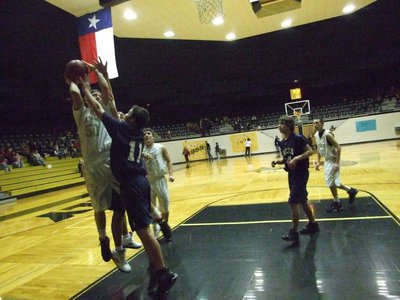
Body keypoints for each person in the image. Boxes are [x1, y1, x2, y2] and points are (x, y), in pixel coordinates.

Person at [81, 79, 178, 297]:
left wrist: (85, 88)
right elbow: (113, 105)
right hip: (142, 182)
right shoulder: (135, 132)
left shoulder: (120, 129)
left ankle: (163, 273)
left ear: (131, 118)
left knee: (143, 231)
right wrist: (104, 78)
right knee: (144, 221)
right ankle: (154, 263)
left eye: (129, 112)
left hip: (132, 184)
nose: (124, 113)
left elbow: (100, 108)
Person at [67, 58, 141, 274]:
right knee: (99, 207)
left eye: (98, 95)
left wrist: (100, 73)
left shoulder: (106, 112)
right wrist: (71, 79)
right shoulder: (81, 112)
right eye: (93, 94)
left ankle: (126, 237)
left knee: (124, 200)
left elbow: (108, 92)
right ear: (87, 97)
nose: (97, 96)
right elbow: (74, 93)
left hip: (109, 159)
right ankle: (103, 238)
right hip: (91, 163)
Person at [271, 116, 319, 243]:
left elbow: (310, 152)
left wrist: (297, 158)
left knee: (292, 201)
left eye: (281, 124)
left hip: (301, 174)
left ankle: (293, 232)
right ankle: (313, 224)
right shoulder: (283, 142)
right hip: (291, 175)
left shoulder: (297, 138)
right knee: (302, 201)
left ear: (288, 125)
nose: (279, 126)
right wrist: (278, 161)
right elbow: (287, 158)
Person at [313, 117, 358, 213]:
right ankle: (350, 191)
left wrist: (337, 163)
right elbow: (319, 149)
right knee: (333, 182)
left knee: (330, 182)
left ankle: (337, 202)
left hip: (333, 160)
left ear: (322, 123)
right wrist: (318, 161)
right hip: (327, 160)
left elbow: (338, 147)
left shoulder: (328, 135)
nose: (315, 125)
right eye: (314, 123)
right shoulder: (316, 135)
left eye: (317, 123)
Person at [142, 128, 174, 242]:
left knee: (165, 207)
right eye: (144, 134)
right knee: (151, 208)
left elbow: (169, 161)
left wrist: (171, 174)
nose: (146, 135)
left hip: (160, 180)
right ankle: (155, 230)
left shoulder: (160, 147)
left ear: (153, 136)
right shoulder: (141, 150)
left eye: (149, 133)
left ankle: (165, 228)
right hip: (148, 182)